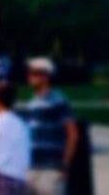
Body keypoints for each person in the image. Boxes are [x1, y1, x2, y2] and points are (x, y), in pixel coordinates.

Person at [18, 57, 78, 195]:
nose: (30, 77)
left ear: (46, 76)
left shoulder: (58, 100)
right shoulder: (32, 103)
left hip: (51, 169)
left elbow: (72, 134)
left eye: (35, 74)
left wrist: (64, 164)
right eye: (30, 73)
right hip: (32, 168)